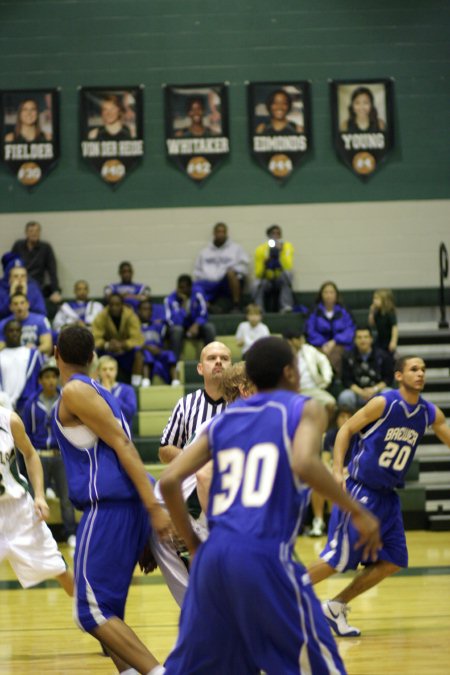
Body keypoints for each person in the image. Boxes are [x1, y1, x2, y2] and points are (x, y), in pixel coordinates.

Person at [159, 336, 381, 675]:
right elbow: (306, 464)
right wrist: (357, 510)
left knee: (203, 667)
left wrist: (191, 541)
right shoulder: (306, 409)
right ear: (290, 373)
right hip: (265, 554)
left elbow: (169, 479)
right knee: (320, 666)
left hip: (212, 560)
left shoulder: (221, 422)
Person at [53, 325, 170, 675]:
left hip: (108, 507)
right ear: (92, 358)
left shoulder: (74, 392)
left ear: (55, 352)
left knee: (90, 611)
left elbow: (123, 446)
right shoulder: (104, 392)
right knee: (108, 611)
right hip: (126, 506)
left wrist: (153, 508)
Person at [308, 355, 450, 638]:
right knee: (337, 559)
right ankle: (276, 598)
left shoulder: (428, 413)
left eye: (423, 369)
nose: (420, 373)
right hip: (361, 490)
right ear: (399, 375)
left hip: (388, 497)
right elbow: (346, 429)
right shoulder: (384, 403)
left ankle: (335, 606)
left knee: (395, 559)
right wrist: (337, 471)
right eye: (414, 369)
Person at [0, 402, 73, 595]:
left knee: (61, 570)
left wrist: (39, 495)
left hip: (19, 510)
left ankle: (97, 613)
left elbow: (31, 454)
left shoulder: (9, 420)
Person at [22, 360, 77, 547]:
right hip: (39, 456)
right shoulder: (30, 404)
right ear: (40, 381)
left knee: (66, 497)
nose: (51, 380)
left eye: (54, 376)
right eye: (47, 377)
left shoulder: (66, 400)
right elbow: (25, 434)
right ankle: (35, 535)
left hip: (60, 456)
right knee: (36, 497)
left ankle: (70, 533)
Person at [193, 222, 249, 313]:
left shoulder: (236, 249)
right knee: (196, 285)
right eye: (218, 232)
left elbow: (244, 268)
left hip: (225, 282)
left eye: (223, 232)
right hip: (209, 283)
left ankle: (236, 305)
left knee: (231, 273)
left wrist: (234, 270)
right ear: (214, 233)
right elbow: (197, 271)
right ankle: (207, 307)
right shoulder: (204, 252)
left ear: (226, 233)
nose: (221, 234)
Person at [305, 281, 356, 377]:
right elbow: (310, 330)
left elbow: (350, 330)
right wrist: (323, 343)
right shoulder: (314, 310)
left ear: (336, 295)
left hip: (340, 345)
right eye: (326, 292)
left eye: (331, 292)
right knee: (318, 356)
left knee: (337, 355)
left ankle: (332, 377)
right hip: (319, 345)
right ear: (321, 294)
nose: (328, 295)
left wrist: (335, 341)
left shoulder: (344, 310)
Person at [92, 292, 144, 384]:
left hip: (125, 351)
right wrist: (107, 345)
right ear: (108, 305)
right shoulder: (101, 315)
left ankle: (136, 385)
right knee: (93, 353)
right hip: (107, 350)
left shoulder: (130, 315)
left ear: (122, 305)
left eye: (117, 305)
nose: (114, 307)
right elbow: (95, 338)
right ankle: (96, 383)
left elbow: (138, 339)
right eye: (111, 305)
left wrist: (122, 344)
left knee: (138, 354)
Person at [338, 326, 393, 410]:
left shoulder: (383, 356)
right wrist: (361, 392)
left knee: (389, 393)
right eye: (359, 337)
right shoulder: (347, 357)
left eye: (365, 337)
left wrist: (374, 389)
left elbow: (388, 378)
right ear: (355, 340)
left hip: (377, 391)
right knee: (345, 397)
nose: (362, 340)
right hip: (357, 392)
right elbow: (346, 380)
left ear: (371, 339)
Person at [164, 274, 216, 361]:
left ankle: (210, 359)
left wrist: (196, 325)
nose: (182, 290)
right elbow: (172, 321)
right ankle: (175, 362)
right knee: (177, 330)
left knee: (209, 328)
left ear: (190, 287)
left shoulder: (198, 294)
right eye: (180, 287)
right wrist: (183, 304)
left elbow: (203, 313)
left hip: (195, 326)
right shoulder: (170, 299)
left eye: (185, 287)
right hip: (181, 328)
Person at [11, 222, 62, 303]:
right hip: (19, 286)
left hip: (37, 287)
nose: (34, 233)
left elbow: (52, 271)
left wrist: (55, 291)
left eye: (37, 231)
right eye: (31, 231)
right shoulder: (18, 246)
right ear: (26, 233)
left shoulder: (45, 248)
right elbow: (10, 268)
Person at [0, 319, 42, 412]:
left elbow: (40, 381)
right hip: (4, 407)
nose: (14, 333)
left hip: (28, 405)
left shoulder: (33, 354)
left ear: (21, 332)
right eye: (11, 331)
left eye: (17, 330)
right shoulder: (1, 356)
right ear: (5, 333)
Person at [134, 300, 178, 387]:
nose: (148, 312)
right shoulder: (135, 327)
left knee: (170, 354)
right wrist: (147, 347)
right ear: (139, 311)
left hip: (158, 351)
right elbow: (134, 344)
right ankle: (146, 380)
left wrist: (162, 321)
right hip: (144, 351)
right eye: (144, 309)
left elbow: (169, 324)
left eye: (149, 309)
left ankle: (175, 380)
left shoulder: (157, 325)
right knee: (147, 354)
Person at [253, 224, 295, 313]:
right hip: (267, 280)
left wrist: (281, 253)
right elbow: (258, 274)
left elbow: (288, 266)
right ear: (268, 236)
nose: (276, 236)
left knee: (288, 274)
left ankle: (286, 306)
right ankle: (258, 309)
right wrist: (265, 264)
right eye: (273, 234)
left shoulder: (287, 246)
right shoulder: (260, 249)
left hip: (280, 279)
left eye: (278, 234)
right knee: (256, 283)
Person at [0, 254, 47, 319]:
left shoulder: (33, 288)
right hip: (7, 325)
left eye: (23, 276)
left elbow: (42, 313)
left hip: (30, 324)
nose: (20, 279)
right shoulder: (1, 289)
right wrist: (11, 296)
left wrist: (25, 297)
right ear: (9, 279)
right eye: (16, 276)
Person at [97, 355, 137, 428]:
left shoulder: (127, 389)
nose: (108, 372)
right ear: (98, 372)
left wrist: (109, 395)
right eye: (104, 369)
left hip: (122, 432)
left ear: (116, 371)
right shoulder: (94, 388)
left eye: (111, 369)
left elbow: (130, 413)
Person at [368, 288, 398, 356]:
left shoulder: (389, 313)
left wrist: (393, 341)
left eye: (377, 299)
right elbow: (371, 324)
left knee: (388, 356)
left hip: (388, 340)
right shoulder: (377, 313)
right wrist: (371, 313)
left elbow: (394, 327)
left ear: (385, 301)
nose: (374, 301)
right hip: (380, 339)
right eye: (374, 298)